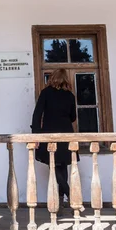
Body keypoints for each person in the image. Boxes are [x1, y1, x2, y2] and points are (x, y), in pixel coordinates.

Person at [31, 68, 77, 212]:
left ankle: (64, 198)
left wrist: (36, 134)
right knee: (62, 165)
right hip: (66, 133)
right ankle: (68, 196)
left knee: (54, 165)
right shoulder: (69, 96)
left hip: (49, 133)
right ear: (66, 79)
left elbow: (37, 114)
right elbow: (73, 117)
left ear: (53, 78)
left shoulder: (46, 93)